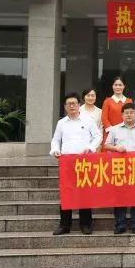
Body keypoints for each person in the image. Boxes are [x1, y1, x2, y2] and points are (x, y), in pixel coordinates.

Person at [50, 93, 102, 235]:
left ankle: (86, 224)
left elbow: (98, 136)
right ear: (65, 107)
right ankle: (64, 225)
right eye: (69, 104)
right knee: (67, 193)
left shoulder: (88, 120)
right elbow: (56, 140)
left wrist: (91, 148)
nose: (72, 106)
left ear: (79, 105)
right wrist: (55, 150)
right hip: (67, 163)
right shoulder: (61, 123)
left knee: (84, 193)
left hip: (84, 162)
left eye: (74, 103)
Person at [104, 103, 135, 234]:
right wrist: (116, 148)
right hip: (120, 167)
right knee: (120, 196)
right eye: (126, 113)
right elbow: (106, 145)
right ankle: (120, 224)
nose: (129, 115)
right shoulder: (115, 129)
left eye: (131, 112)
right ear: (122, 115)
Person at [101, 77, 133, 144]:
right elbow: (104, 118)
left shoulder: (129, 101)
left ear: (124, 86)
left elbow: (132, 117)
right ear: (112, 86)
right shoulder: (107, 101)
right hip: (110, 134)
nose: (118, 87)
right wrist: (113, 131)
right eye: (115, 85)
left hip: (126, 132)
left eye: (120, 85)